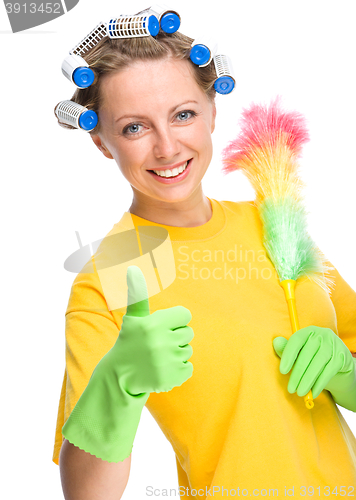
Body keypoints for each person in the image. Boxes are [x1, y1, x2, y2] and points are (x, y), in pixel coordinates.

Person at [52, 13, 356, 500]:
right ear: (101, 142)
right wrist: (118, 385)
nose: (167, 147)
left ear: (212, 112)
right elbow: (88, 494)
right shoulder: (111, 276)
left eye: (183, 114)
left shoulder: (273, 221)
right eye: (134, 128)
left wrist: (346, 373)